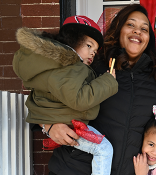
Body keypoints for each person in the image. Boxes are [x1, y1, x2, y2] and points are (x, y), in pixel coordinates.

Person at [47, 4, 156, 175]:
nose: (137, 31)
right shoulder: (93, 66)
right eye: (130, 25)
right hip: (74, 168)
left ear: (149, 38)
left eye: (144, 29)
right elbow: (49, 93)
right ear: (119, 30)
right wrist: (49, 125)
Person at [12, 15, 118, 175]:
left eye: (95, 51)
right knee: (104, 149)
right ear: (72, 40)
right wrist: (109, 82)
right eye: (89, 46)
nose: (92, 54)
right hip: (71, 126)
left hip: (63, 124)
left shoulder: (51, 65)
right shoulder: (70, 66)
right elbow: (79, 99)